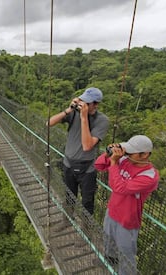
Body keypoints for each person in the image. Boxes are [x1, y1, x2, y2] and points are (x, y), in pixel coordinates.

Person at [94, 135, 159, 275]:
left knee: (126, 251)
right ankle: (110, 260)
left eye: (131, 152)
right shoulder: (124, 160)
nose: (127, 154)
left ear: (145, 154)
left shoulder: (149, 176)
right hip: (112, 210)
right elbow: (98, 165)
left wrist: (114, 163)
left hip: (127, 219)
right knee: (107, 238)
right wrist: (108, 153)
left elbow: (119, 187)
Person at [48, 87, 109, 232]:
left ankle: (86, 231)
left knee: (87, 201)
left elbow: (87, 145)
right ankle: (67, 220)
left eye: (86, 102)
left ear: (95, 104)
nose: (82, 104)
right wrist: (68, 110)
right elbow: (49, 123)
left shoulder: (102, 121)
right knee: (69, 195)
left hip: (87, 168)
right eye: (82, 100)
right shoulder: (74, 113)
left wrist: (83, 118)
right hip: (68, 163)